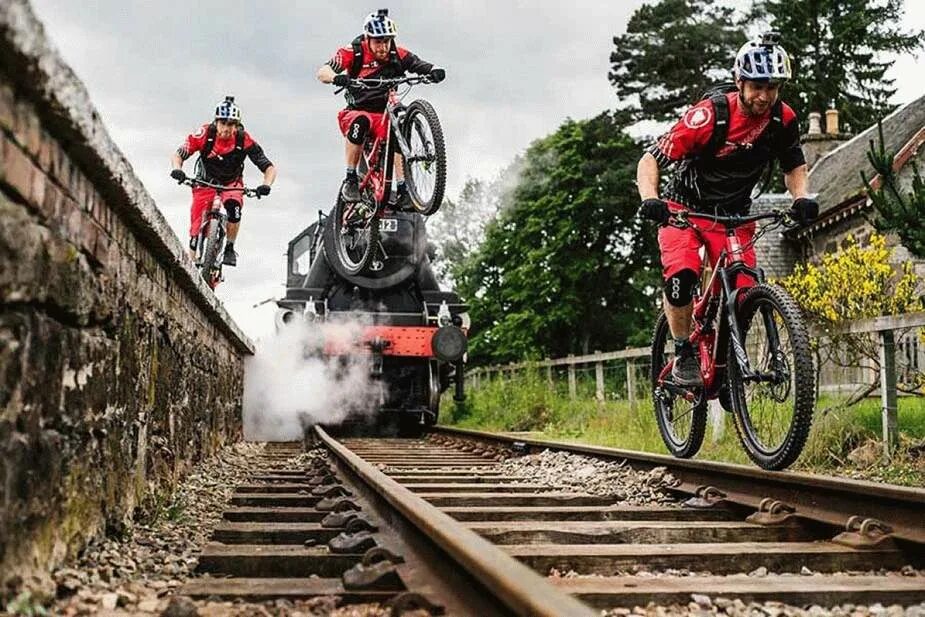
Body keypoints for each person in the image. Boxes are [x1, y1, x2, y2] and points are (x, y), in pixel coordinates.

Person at [636, 33, 819, 386]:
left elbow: (794, 163)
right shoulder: (708, 116)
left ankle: (728, 366)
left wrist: (801, 198)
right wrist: (650, 198)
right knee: (683, 274)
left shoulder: (783, 120)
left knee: (746, 287)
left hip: (734, 213)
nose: (764, 96)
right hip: (683, 210)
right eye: (756, 86)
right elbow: (651, 158)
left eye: (772, 87)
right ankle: (683, 353)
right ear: (740, 82)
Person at [316, 9, 445, 208]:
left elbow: (419, 64)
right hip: (356, 112)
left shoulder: (397, 53)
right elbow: (323, 71)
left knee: (399, 127)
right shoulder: (353, 52)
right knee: (362, 121)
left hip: (385, 115)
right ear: (368, 38)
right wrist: (336, 77)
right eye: (378, 41)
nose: (383, 47)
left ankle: (404, 189)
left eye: (387, 41)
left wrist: (435, 70)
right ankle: (351, 179)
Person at [170, 96, 276, 267]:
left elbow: (269, 167)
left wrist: (266, 185)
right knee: (196, 221)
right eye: (224, 124)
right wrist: (177, 170)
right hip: (205, 181)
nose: (227, 129)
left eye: (232, 124)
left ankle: (229, 247)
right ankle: (192, 255)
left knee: (234, 209)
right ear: (216, 122)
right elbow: (179, 154)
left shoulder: (244, 139)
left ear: (237, 125)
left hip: (232, 183)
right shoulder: (204, 134)